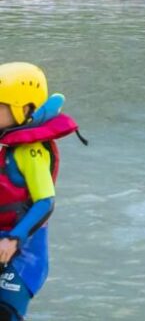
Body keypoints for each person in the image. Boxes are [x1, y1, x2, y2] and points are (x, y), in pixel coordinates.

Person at [0, 62, 81, 320]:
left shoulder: (30, 152)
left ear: (23, 109)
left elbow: (45, 201)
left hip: (23, 253)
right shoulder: (6, 144)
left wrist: (14, 239)